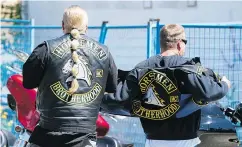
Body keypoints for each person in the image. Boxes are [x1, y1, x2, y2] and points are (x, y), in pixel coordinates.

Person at [102, 24, 231, 147]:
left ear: (162, 43)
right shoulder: (188, 68)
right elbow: (210, 92)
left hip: (152, 140)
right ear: (180, 44)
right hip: (185, 142)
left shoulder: (142, 68)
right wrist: (225, 84)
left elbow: (120, 98)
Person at [22, 5, 117, 147]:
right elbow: (112, 86)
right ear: (86, 27)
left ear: (62, 25)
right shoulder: (104, 53)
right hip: (84, 138)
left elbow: (28, 83)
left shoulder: (45, 49)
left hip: (47, 135)